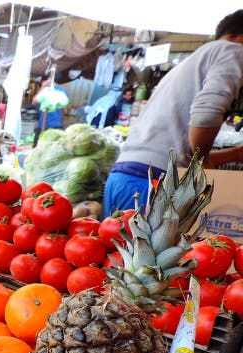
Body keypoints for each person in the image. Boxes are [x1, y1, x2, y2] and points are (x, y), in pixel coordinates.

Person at [104, 10, 243, 216]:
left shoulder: (193, 62)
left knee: (115, 248)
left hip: (124, 177)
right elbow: (206, 114)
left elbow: (185, 148)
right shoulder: (233, 51)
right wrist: (201, 160)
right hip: (153, 184)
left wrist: (234, 154)